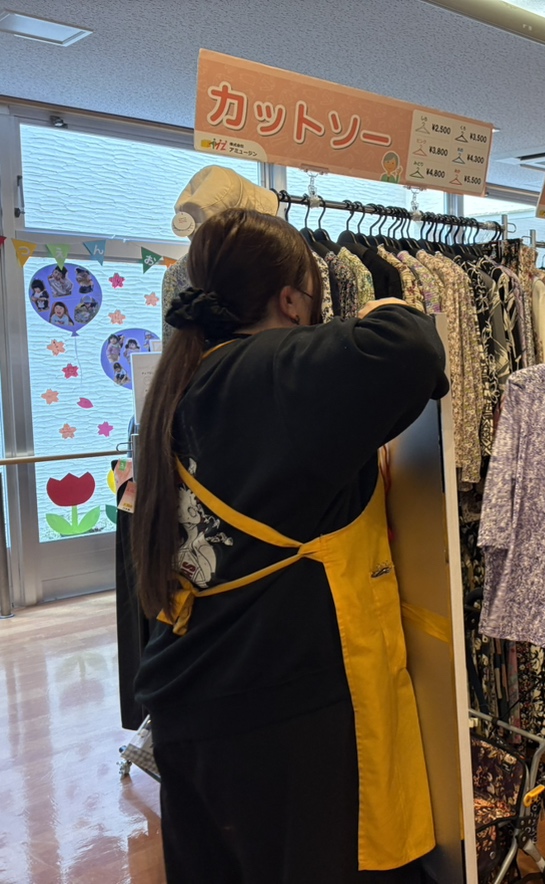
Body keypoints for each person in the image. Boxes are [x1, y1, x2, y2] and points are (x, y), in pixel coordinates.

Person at [132, 208, 448, 883]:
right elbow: (411, 348)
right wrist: (385, 305)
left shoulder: (181, 384)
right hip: (279, 705)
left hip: (190, 697)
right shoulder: (272, 371)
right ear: (291, 300)